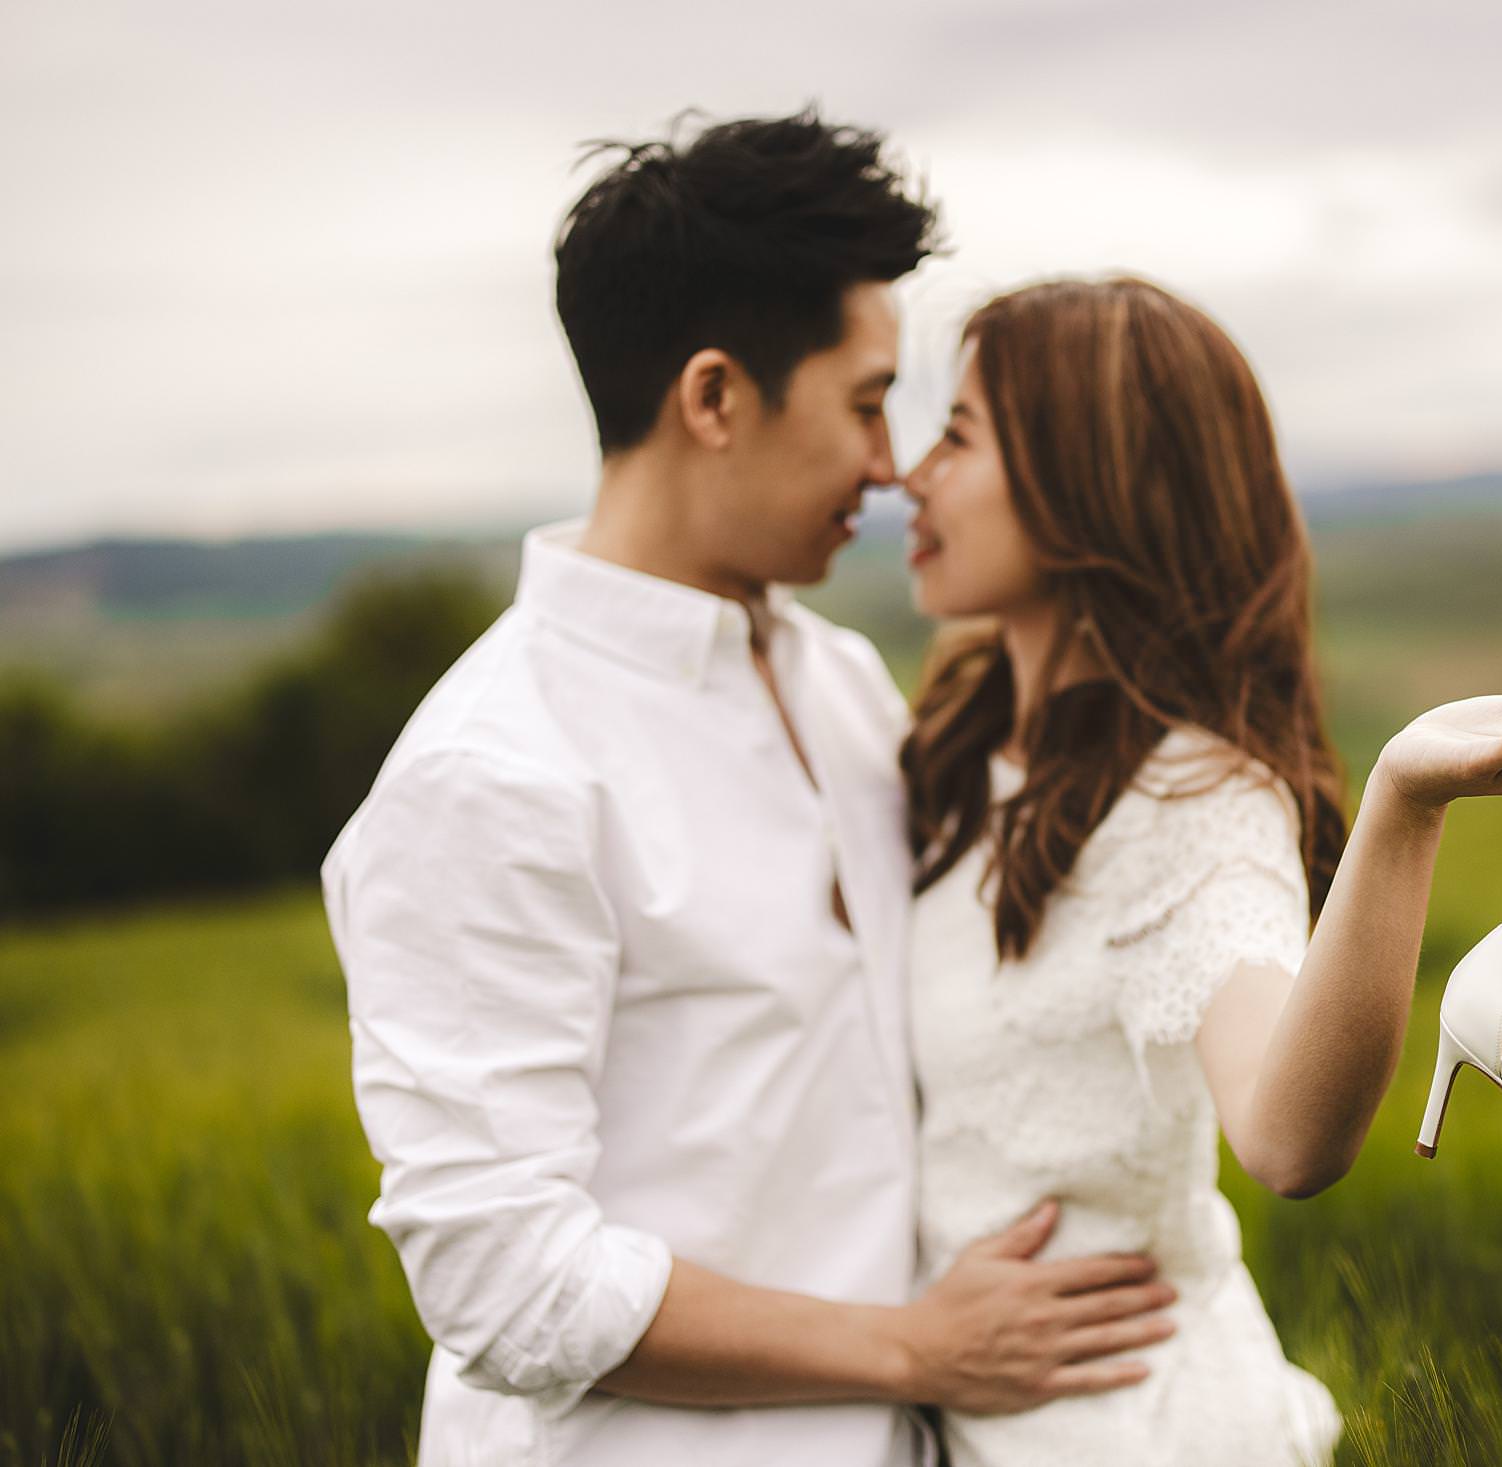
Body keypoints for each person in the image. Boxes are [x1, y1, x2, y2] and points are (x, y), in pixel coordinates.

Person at [320, 113, 1177, 1467]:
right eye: (863, 400)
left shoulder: (842, 682)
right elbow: (501, 1276)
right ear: (714, 398)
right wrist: (912, 1345)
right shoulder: (490, 771)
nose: (890, 463)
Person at [895, 277, 1502, 1465]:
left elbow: (1287, 1139)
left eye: (955, 437)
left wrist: (1403, 806)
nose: (913, 474)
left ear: (1081, 481)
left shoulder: (1184, 801)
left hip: (1123, 1432)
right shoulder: (952, 738)